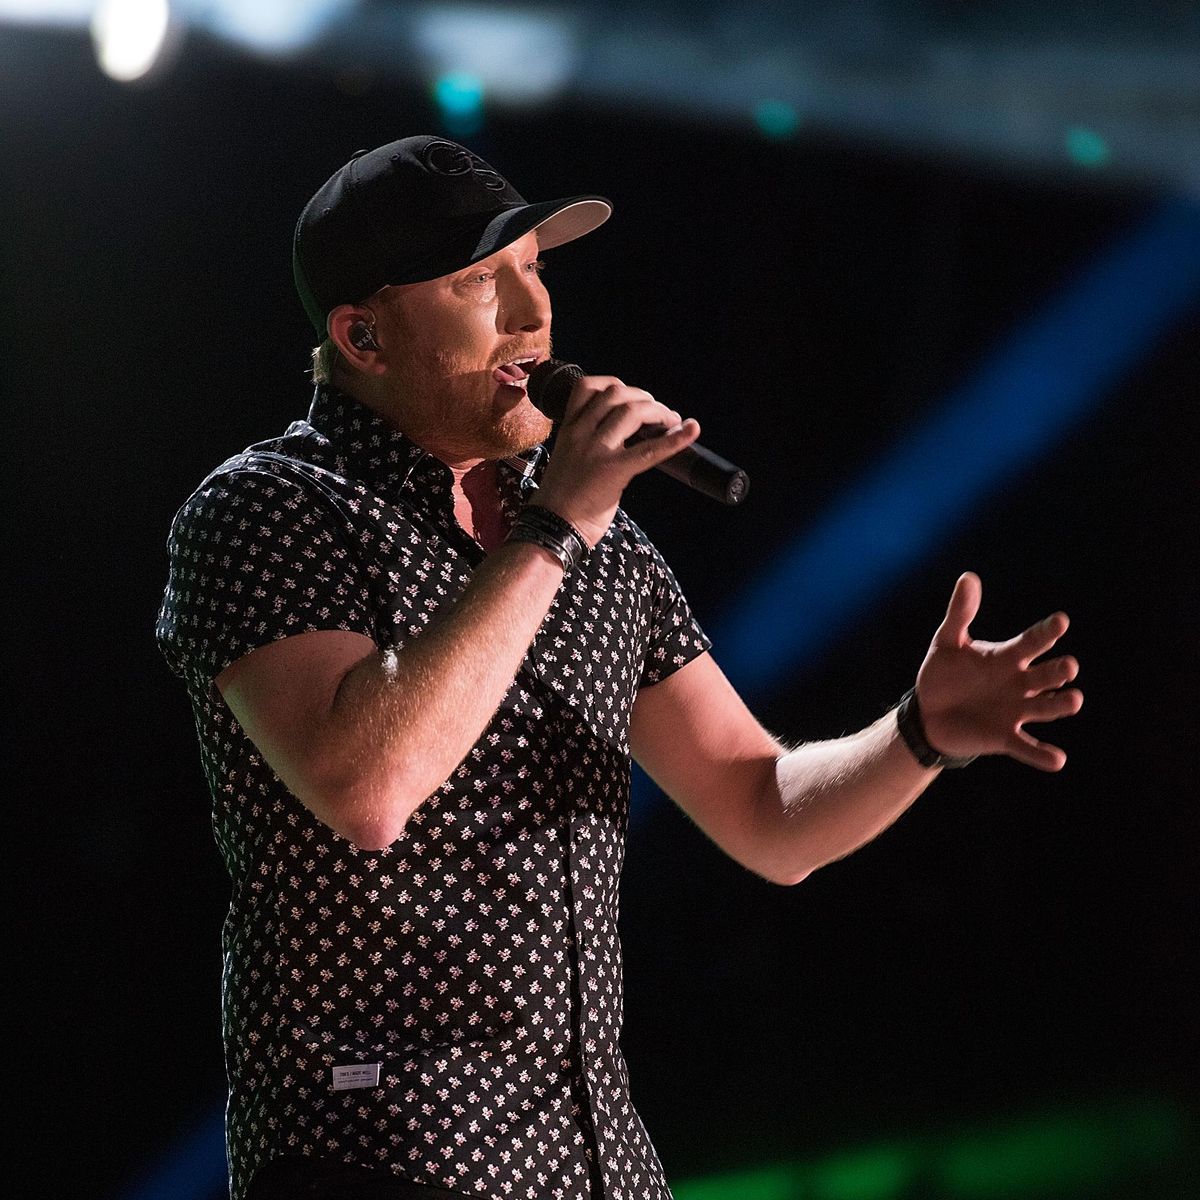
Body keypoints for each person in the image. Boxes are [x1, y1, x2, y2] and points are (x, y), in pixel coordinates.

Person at [156, 135, 1083, 1200]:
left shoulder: (600, 546)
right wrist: (555, 529)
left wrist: (918, 733)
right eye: (478, 282)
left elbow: (765, 810)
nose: (532, 314)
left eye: (533, 268)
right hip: (380, 1151)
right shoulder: (268, 509)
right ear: (364, 335)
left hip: (592, 1163)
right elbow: (366, 787)